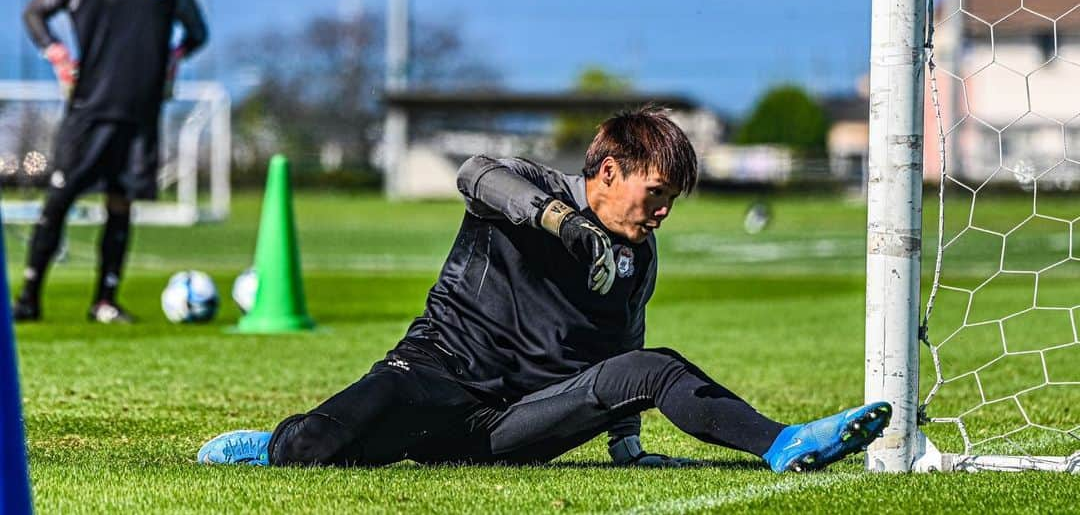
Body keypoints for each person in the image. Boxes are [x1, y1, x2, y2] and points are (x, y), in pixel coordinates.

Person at [198, 107, 890, 471]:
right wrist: (565, 226)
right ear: (609, 171)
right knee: (314, 451)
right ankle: (274, 442)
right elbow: (474, 173)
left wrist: (626, 443)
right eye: (656, 193)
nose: (663, 212)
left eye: (672, 199)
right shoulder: (531, 187)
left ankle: (784, 443)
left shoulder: (637, 259)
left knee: (655, 363)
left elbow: (627, 352)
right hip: (434, 375)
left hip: (516, 425)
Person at [12, 0, 208, 324]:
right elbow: (35, 12)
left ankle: (105, 299)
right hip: (89, 110)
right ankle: (28, 296)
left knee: (121, 205)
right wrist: (58, 55)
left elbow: (198, 33)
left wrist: (173, 60)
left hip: (140, 115)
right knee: (58, 199)